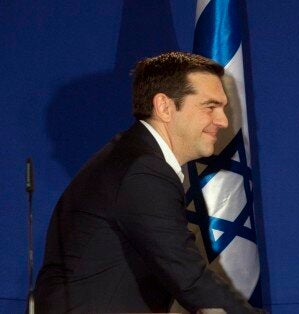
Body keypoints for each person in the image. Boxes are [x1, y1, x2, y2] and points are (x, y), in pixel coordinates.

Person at [34, 52, 260, 313]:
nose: (223, 121)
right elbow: (189, 278)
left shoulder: (133, 157)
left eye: (223, 107)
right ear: (164, 107)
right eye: (210, 107)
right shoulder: (143, 170)